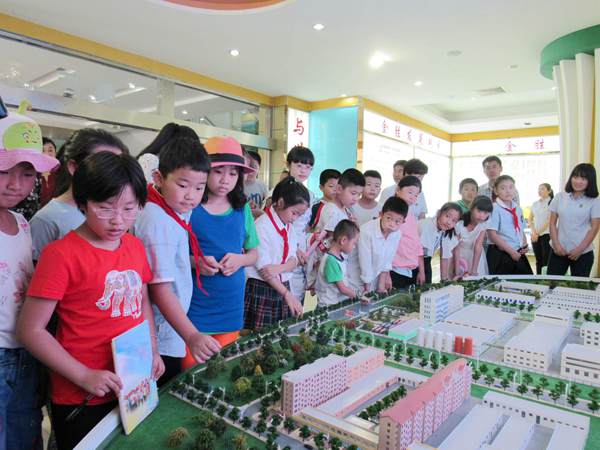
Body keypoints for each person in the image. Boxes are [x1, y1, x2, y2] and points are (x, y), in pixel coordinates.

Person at [18, 152, 164, 450]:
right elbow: (30, 330)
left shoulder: (134, 246)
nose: (118, 220)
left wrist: (152, 349)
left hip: (133, 383)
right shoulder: (60, 255)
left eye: (129, 208)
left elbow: (142, 302)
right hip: (82, 394)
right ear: (82, 202)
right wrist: (83, 375)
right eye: (105, 208)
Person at [133, 136, 219, 387]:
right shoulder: (157, 221)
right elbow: (159, 289)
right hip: (161, 333)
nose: (191, 196)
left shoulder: (170, 208)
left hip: (169, 326)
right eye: (183, 185)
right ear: (159, 178)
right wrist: (192, 335)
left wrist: (194, 262)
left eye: (199, 187)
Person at [0, 111, 59, 450]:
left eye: (26, 174)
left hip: (27, 350)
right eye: (3, 171)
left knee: (26, 433)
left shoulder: (23, 223)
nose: (15, 184)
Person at [184, 137, 259, 369]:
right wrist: (195, 262)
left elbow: (254, 254)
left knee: (223, 369)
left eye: (233, 173)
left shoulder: (242, 208)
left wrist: (240, 259)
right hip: (194, 305)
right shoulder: (189, 206)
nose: (225, 180)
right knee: (190, 372)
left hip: (231, 303)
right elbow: (172, 256)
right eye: (218, 172)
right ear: (204, 171)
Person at [30, 129, 128, 260]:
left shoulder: (118, 215)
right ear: (74, 167)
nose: (114, 175)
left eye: (118, 167)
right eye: (103, 166)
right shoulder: (47, 219)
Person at [244, 178, 309, 330]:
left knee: (280, 333)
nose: (295, 218)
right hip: (262, 288)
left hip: (282, 287)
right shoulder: (261, 227)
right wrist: (286, 293)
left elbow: (294, 260)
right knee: (260, 337)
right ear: (280, 203)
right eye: (294, 213)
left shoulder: (288, 226)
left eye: (299, 215)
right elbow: (265, 271)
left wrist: (280, 268)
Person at [310, 168, 365, 291]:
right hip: (330, 269)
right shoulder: (331, 211)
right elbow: (337, 242)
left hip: (339, 266)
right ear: (339, 189)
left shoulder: (346, 210)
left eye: (359, 194)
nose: (356, 198)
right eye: (353, 193)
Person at [548, 164, 600, 277]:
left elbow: (595, 227)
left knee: (578, 286)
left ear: (590, 181)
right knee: (551, 284)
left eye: (583, 178)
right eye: (575, 177)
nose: (578, 181)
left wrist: (579, 250)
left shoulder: (595, 201)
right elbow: (552, 223)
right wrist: (556, 245)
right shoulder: (560, 197)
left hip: (582, 253)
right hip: (558, 250)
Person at [286, 146, 316, 303]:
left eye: (308, 167)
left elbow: (305, 225)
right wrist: (295, 248)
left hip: (303, 252)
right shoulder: (281, 191)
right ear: (288, 165)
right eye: (299, 165)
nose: (303, 170)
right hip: (287, 250)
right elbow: (281, 226)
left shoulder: (310, 194)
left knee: (299, 297)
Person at [358, 197, 407, 294]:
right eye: (389, 218)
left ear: (403, 222)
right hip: (359, 278)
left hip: (375, 277)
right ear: (381, 214)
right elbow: (365, 261)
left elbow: (388, 259)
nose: (392, 224)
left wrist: (381, 285)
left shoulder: (397, 234)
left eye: (397, 221)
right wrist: (367, 288)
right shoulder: (366, 231)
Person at [486, 175, 532, 275]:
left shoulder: (517, 208)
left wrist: (524, 244)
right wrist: (511, 252)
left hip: (517, 252)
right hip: (501, 253)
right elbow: (492, 234)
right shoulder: (494, 208)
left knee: (525, 280)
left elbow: (520, 229)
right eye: (503, 188)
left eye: (511, 187)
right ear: (496, 191)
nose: (508, 191)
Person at [315, 220, 361, 306]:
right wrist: (359, 296)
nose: (354, 247)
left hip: (335, 303)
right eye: (354, 243)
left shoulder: (337, 257)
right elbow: (342, 289)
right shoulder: (331, 261)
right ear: (343, 240)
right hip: (328, 306)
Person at [391, 176, 425, 288]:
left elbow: (417, 244)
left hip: (411, 268)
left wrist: (421, 271)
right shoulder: (390, 213)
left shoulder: (410, 214)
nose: (413, 197)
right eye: (410, 192)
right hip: (394, 269)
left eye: (416, 195)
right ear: (398, 190)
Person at [448, 195, 493, 278]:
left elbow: (478, 245)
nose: (482, 216)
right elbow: (456, 247)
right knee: (457, 278)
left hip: (475, 256)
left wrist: (474, 269)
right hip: (458, 254)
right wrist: (457, 268)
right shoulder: (459, 223)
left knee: (476, 278)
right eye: (479, 211)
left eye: (485, 213)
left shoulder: (484, 224)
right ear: (472, 208)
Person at [418, 202, 462, 283]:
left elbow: (444, 255)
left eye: (454, 221)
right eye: (447, 216)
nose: (449, 222)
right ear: (439, 213)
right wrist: (421, 272)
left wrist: (444, 279)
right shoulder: (426, 225)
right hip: (413, 261)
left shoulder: (444, 230)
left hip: (426, 261)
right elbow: (419, 251)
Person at [529, 183, 553, 275]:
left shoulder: (552, 203)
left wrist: (537, 233)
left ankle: (546, 280)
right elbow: (530, 219)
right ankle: (538, 279)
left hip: (547, 235)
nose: (539, 191)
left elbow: (549, 220)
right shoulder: (535, 204)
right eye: (539, 189)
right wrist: (534, 232)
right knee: (538, 260)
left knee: (546, 261)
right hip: (535, 235)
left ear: (549, 191)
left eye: (542, 189)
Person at [244, 151, 269, 218]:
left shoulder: (262, 185)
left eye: (254, 167)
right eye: (247, 166)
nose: (250, 171)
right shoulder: (236, 185)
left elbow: (266, 206)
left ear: (259, 168)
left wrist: (260, 212)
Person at [40, 137, 58, 207]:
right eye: (42, 150)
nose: (46, 154)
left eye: (50, 150)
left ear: (56, 154)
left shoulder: (61, 174)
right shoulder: (31, 175)